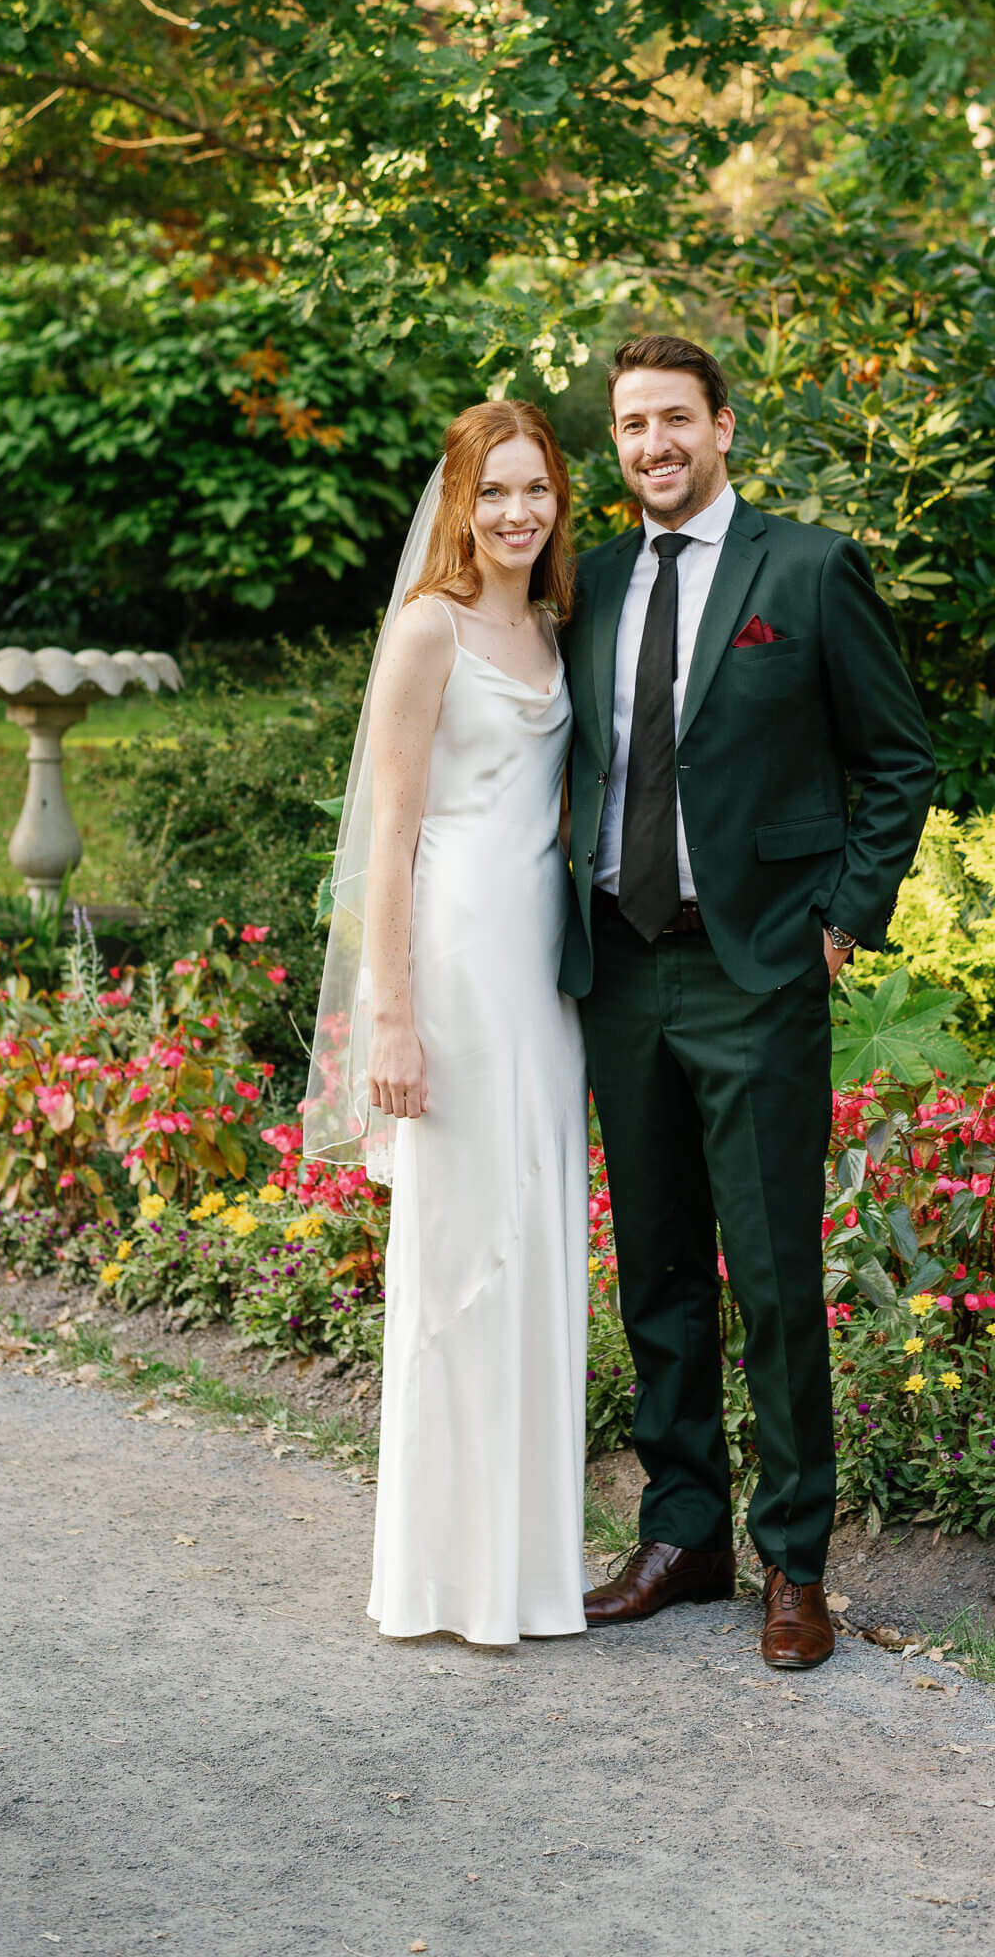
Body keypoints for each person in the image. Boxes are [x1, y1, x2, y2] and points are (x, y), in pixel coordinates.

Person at [560, 334, 934, 1670]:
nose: (651, 446)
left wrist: (843, 916)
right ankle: (682, 1535)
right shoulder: (588, 583)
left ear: (722, 426)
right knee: (655, 1266)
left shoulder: (809, 571)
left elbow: (896, 758)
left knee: (771, 1277)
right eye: (629, 427)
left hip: (757, 968)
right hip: (617, 964)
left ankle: (794, 1562)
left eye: (673, 420)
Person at [303, 402, 588, 1646]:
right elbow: (389, 843)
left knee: (538, 1245)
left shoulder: (556, 626)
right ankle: (439, 1579)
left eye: (537, 492)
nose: (518, 514)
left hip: (546, 976)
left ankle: (531, 1573)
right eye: (496, 494)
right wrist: (392, 1022)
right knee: (460, 1259)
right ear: (460, 505)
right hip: (455, 966)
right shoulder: (429, 631)